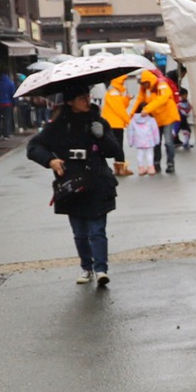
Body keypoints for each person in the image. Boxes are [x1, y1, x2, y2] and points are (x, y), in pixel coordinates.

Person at [27, 87, 123, 286]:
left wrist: (101, 136)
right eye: (81, 97)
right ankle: (86, 267)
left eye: (87, 96)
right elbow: (34, 147)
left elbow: (115, 150)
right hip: (72, 186)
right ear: (70, 101)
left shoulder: (98, 121)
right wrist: (51, 161)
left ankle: (101, 269)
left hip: (97, 184)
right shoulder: (59, 125)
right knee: (80, 233)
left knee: (97, 230)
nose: (87, 100)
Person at [138, 69, 181, 175]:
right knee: (156, 142)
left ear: (148, 81)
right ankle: (156, 163)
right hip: (156, 118)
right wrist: (131, 116)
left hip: (167, 117)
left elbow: (163, 98)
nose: (143, 86)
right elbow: (140, 100)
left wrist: (147, 109)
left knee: (168, 142)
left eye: (144, 83)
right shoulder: (146, 88)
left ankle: (170, 163)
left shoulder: (161, 85)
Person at [124, 109, 160, 175]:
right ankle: (150, 168)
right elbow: (155, 131)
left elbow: (130, 131)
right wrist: (157, 140)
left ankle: (141, 169)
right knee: (149, 154)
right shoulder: (151, 119)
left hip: (138, 140)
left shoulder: (133, 120)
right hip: (149, 140)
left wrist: (130, 141)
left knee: (140, 155)